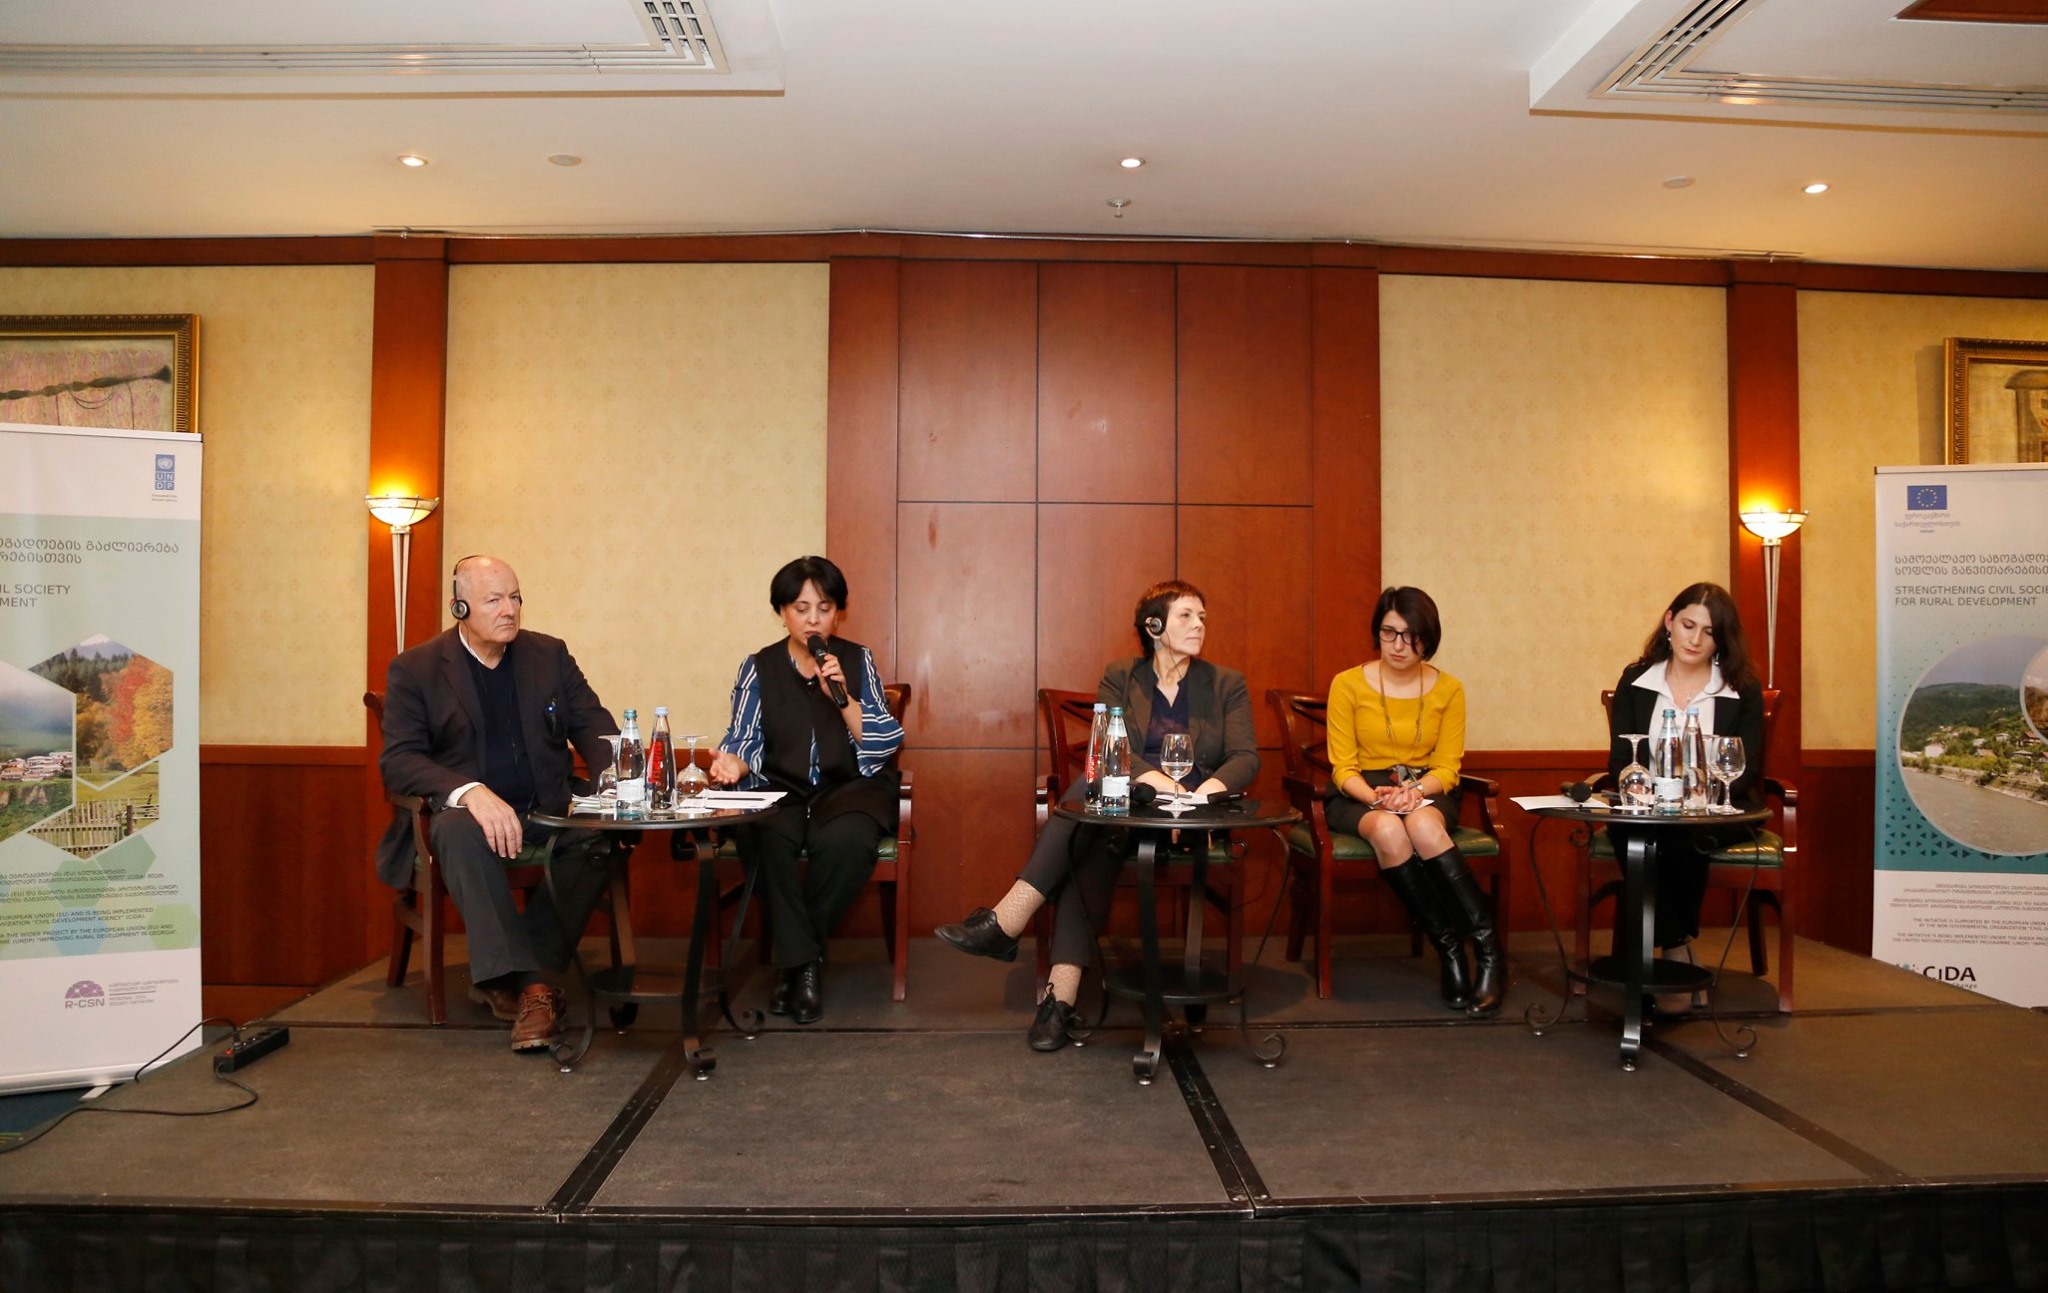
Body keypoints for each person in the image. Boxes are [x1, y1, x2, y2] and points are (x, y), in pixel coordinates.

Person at [934, 579, 1259, 1052]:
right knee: (1094, 815)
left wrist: (1201, 795)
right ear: (1154, 626)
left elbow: (1245, 757)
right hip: (1129, 809)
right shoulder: (1121, 676)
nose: (1199, 626)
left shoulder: (1226, 683)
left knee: (1088, 811)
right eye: (1186, 616)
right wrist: (1162, 783)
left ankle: (1013, 930)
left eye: (1202, 617)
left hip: (1191, 818)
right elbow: (1108, 746)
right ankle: (1057, 1000)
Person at [377, 555, 620, 1053]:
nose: (509, 610)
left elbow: (596, 730)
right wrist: (470, 791)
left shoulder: (549, 655)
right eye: (493, 600)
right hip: (468, 819)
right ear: (460, 607)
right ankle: (537, 991)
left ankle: (521, 980)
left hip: (547, 808)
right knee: (456, 830)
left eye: (515, 598)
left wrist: (616, 784)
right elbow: (399, 760)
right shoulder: (417, 668)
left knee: (602, 833)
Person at [708, 556, 904, 1025]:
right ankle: (805, 962)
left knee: (847, 842)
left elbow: (882, 741)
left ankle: (792, 962)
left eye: (824, 607)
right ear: (782, 612)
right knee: (762, 835)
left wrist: (842, 694)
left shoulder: (857, 659)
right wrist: (733, 763)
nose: (813, 619)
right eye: (801, 608)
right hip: (781, 787)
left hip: (849, 786)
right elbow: (743, 738)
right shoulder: (758, 667)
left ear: (838, 614)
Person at [1324, 586, 1504, 1017]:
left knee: (1422, 824)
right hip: (1361, 792)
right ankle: (1450, 950)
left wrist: (1416, 792)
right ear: (1377, 632)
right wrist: (1376, 797)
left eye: (1411, 636)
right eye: (1389, 633)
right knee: (1389, 829)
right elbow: (1342, 767)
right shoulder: (1347, 684)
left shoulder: (1449, 689)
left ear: (1429, 638)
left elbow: (1448, 767)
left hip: (1428, 789)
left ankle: (1490, 952)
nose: (1399, 645)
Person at [1607, 581, 1766, 957]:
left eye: (1709, 632)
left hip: (1717, 811)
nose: (1695, 640)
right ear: (1669, 622)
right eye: (1688, 625)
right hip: (1649, 808)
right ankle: (1677, 945)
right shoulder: (1636, 680)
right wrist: (1644, 790)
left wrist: (1694, 797)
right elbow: (1620, 760)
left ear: (1722, 638)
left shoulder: (1742, 689)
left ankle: (1644, 960)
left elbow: (1747, 769)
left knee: (1681, 835)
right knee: (1631, 831)